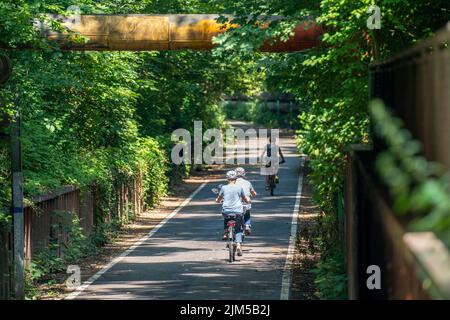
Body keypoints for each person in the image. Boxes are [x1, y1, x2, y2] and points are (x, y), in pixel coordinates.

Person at [216, 170, 249, 256]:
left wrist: (217, 200)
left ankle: (226, 232)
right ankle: (238, 244)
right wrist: (247, 200)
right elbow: (245, 198)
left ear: (227, 179)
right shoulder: (239, 188)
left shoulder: (223, 188)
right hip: (238, 210)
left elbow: (219, 198)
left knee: (226, 218)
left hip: (226, 210)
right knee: (238, 228)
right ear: (236, 179)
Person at [235, 167, 257, 236]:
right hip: (245, 204)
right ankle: (247, 225)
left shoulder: (233, 183)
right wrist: (253, 195)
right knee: (247, 214)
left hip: (235, 205)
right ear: (244, 174)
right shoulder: (248, 183)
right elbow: (254, 193)